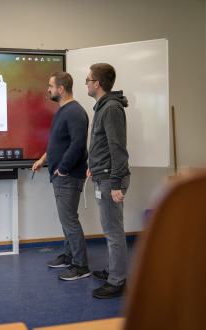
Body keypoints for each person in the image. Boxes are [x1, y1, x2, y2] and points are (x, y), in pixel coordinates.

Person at [32, 72, 90, 281]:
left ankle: (80, 266)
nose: (48, 89)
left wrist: (63, 169)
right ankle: (69, 256)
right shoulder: (63, 111)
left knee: (69, 221)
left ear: (61, 89)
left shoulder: (74, 112)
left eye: (50, 86)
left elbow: (77, 144)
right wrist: (44, 159)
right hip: (61, 175)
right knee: (67, 221)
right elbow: (60, 142)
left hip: (68, 176)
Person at [85, 63, 131, 299]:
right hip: (102, 175)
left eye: (88, 79)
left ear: (97, 84)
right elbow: (102, 145)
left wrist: (115, 183)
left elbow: (117, 149)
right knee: (110, 229)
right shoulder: (102, 106)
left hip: (110, 180)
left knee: (113, 232)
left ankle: (117, 280)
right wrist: (93, 166)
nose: (86, 82)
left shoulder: (111, 108)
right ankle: (113, 270)